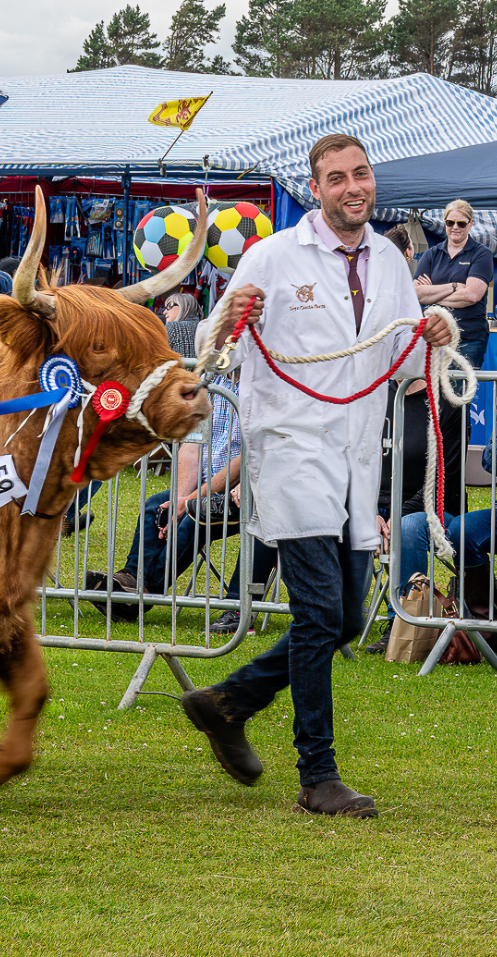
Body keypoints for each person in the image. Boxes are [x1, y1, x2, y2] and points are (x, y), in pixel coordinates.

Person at [182, 133, 452, 819]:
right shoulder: (273, 255)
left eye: (361, 174)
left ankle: (228, 701)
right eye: (337, 178)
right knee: (320, 613)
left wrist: (430, 341)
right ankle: (318, 775)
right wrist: (233, 323)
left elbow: (397, 365)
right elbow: (214, 347)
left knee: (348, 617)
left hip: (359, 453)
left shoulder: (391, 261)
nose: (353, 187)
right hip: (291, 447)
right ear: (316, 188)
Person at [86, 370, 276, 630]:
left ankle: (139, 593)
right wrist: (180, 498)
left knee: (196, 514)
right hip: (208, 487)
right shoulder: (210, 381)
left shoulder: (266, 382)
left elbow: (250, 455)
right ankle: (133, 581)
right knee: (157, 506)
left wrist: (190, 501)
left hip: (249, 488)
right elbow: (192, 444)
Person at [367, 225, 464, 654]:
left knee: (408, 528)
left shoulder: (446, 404)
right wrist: (370, 512)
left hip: (427, 510)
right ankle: (332, 617)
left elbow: (445, 480)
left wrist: (395, 517)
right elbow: (364, 460)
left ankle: (397, 621)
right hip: (379, 507)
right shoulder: (381, 394)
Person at [413, 199, 492, 370]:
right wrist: (455, 286)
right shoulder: (431, 254)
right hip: (434, 335)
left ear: (470, 224)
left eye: (461, 223)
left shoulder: (481, 254)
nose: (455, 227)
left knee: (459, 395)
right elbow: (417, 293)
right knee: (432, 392)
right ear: (445, 222)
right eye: (450, 222)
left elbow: (472, 295)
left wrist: (432, 297)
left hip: (468, 338)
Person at [163, 292, 201, 359]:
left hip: (177, 369)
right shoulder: (203, 326)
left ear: (182, 306)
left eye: (169, 306)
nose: (164, 312)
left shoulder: (173, 327)